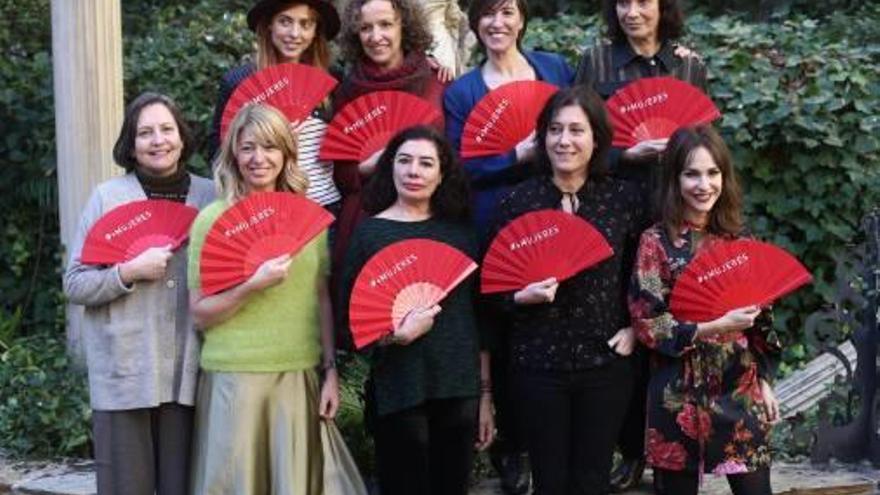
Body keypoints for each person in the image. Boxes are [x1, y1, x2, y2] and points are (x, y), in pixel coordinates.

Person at [486, 85, 649, 495]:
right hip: (536, 363)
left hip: (605, 362)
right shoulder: (518, 202)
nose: (565, 140)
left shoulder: (624, 199)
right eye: (555, 130)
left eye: (577, 130)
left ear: (597, 139)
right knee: (550, 481)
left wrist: (635, 329)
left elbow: (648, 275)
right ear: (542, 137)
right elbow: (490, 291)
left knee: (592, 480)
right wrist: (518, 298)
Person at [574, 2, 708, 488]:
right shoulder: (595, 61)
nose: (632, 11)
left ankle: (681, 444)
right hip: (618, 217)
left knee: (678, 330)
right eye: (622, 1)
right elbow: (577, 138)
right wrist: (627, 152)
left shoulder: (689, 64)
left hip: (677, 218)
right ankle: (631, 449)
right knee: (626, 331)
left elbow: (705, 145)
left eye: (643, 0)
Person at [442, 2, 572, 490]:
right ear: (475, 23)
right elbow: (458, 166)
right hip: (492, 224)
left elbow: (583, 126)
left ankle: (556, 441)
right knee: (501, 333)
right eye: (488, 14)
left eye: (508, 11)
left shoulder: (555, 70)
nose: (498, 23)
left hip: (554, 216)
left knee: (555, 323)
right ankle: (511, 446)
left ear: (521, 20)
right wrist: (512, 155)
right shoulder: (463, 90)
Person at [63, 92, 214, 495]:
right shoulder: (107, 198)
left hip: (191, 372)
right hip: (125, 372)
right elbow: (75, 283)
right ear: (130, 145)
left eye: (166, 129)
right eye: (145, 133)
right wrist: (127, 272)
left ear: (182, 137)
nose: (158, 140)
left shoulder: (211, 196)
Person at [188, 104, 341, 494]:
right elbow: (201, 314)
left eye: (271, 147)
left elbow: (321, 299)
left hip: (297, 374)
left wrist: (330, 371)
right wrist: (251, 286)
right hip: (235, 378)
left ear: (287, 154)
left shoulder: (309, 218)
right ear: (234, 154)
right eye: (249, 147)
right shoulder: (211, 220)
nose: (259, 159)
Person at [337, 126, 494, 495]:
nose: (413, 171)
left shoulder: (462, 232)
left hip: (458, 387)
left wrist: (485, 395)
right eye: (404, 161)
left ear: (442, 174)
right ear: (389, 168)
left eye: (426, 163)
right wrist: (396, 336)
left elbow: (482, 318)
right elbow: (349, 321)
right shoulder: (369, 234)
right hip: (397, 387)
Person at [629, 125, 781, 495]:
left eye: (713, 173)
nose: (704, 184)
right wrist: (712, 326)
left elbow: (762, 321)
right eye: (692, 173)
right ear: (674, 178)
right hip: (677, 392)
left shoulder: (740, 240)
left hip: (739, 388)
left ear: (724, 177)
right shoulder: (655, 242)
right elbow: (650, 323)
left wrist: (763, 380)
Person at [331, 0, 450, 308]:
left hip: (427, 218)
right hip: (367, 220)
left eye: (385, 24)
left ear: (404, 27)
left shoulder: (437, 82)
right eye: (366, 28)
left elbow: (452, 159)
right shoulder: (346, 91)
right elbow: (341, 175)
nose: (375, 36)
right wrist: (372, 164)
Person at [209, 0, 343, 212]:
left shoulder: (333, 79)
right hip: (264, 211)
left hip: (325, 209)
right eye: (285, 22)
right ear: (269, 24)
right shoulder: (238, 83)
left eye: (305, 24)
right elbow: (219, 149)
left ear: (316, 30)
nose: (294, 33)